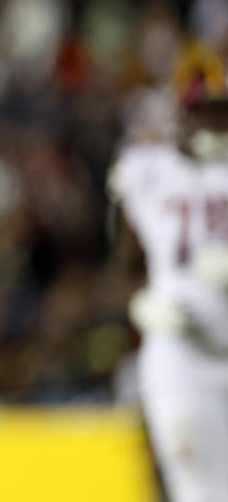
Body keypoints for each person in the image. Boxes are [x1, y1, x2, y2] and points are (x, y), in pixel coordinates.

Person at [110, 40, 228, 502]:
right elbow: (125, 264)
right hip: (184, 356)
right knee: (202, 492)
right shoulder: (149, 171)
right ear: (183, 111)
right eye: (210, 111)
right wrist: (143, 302)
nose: (219, 124)